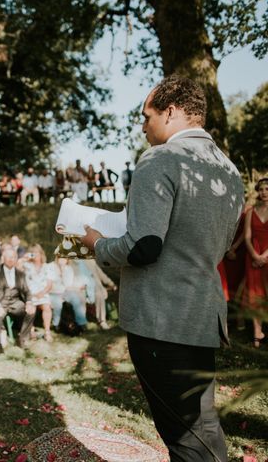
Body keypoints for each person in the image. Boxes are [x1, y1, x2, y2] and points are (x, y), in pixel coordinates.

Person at [81, 76, 244, 462]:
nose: (142, 127)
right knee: (199, 426)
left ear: (170, 112)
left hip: (162, 319)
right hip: (202, 315)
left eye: (146, 116)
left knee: (187, 437)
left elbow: (143, 247)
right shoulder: (229, 170)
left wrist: (95, 243)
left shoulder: (161, 159)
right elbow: (218, 246)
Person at [0, 248, 34, 354]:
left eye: (13, 257)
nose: (11, 259)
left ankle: (22, 339)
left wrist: (29, 303)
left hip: (15, 303)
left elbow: (27, 290)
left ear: (16, 259)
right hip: (1, 303)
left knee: (31, 311)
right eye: (8, 257)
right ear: (3, 258)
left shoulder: (20, 273)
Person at [243, 178, 268, 348]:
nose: (264, 192)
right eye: (261, 189)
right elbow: (246, 236)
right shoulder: (251, 211)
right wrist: (254, 256)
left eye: (267, 189)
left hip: (267, 253)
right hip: (253, 255)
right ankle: (256, 334)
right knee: (254, 296)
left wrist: (264, 256)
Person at [21, 245, 54, 341]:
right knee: (32, 308)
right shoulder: (27, 265)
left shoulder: (47, 267)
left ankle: (47, 332)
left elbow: (49, 284)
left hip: (43, 293)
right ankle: (31, 331)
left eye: (37, 252)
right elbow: (16, 266)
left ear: (41, 254)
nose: (35, 255)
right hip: (30, 294)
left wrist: (42, 293)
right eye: (33, 253)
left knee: (46, 307)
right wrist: (24, 258)